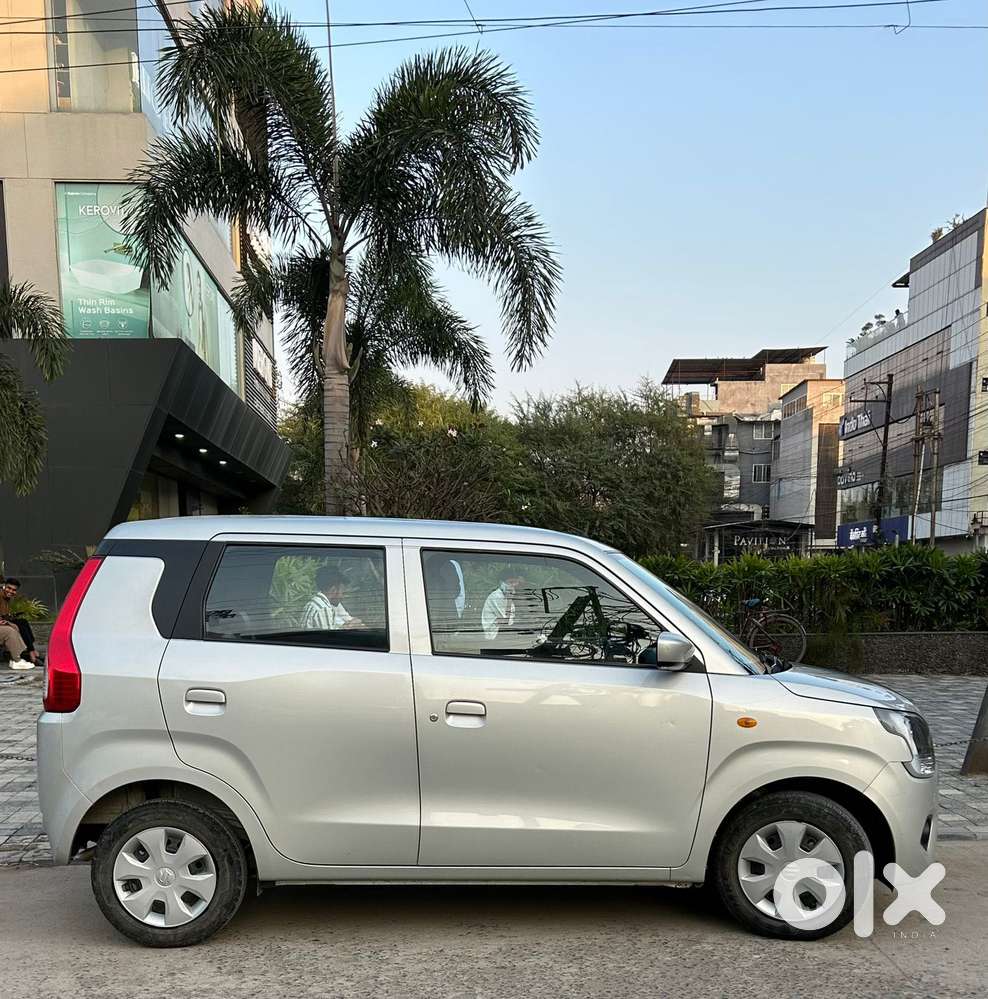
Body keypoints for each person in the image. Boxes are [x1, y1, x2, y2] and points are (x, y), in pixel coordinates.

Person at [301, 567, 363, 631]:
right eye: (343, 592)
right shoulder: (324, 608)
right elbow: (329, 638)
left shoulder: (314, 602)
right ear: (333, 590)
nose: (343, 597)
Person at [0, 578, 39, 666]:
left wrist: (10, 617)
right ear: (4, 586)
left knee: (23, 622)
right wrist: (10, 623)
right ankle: (31, 653)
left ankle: (31, 649)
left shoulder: (6, 598)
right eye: (9, 588)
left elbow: (4, 614)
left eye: (14, 590)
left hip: (3, 620)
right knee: (16, 627)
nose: (10, 591)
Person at [481, 574, 526, 640]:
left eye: (515, 583)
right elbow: (506, 623)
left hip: (502, 635)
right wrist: (509, 599)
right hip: (493, 637)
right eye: (510, 582)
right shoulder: (497, 596)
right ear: (502, 583)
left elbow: (509, 621)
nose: (513, 585)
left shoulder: (507, 598)